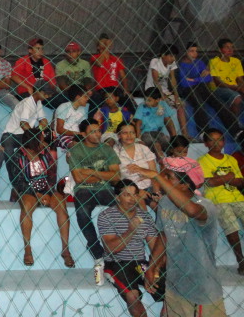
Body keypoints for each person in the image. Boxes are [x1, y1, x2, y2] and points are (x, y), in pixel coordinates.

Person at [128, 158, 227, 316]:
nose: (164, 180)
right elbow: (163, 235)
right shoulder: (166, 202)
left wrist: (156, 176)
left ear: (185, 184)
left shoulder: (204, 204)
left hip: (200, 287)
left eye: (169, 177)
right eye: (164, 176)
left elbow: (192, 211)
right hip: (175, 282)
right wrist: (153, 267)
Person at [97, 179, 165, 317]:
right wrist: (130, 231)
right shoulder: (106, 216)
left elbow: (156, 248)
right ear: (117, 197)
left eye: (135, 194)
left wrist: (153, 269)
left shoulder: (145, 216)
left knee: (170, 290)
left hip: (140, 263)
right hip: (117, 263)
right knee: (132, 296)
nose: (132, 199)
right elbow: (111, 248)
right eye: (127, 195)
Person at [10, 128, 74, 268]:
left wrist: (47, 192)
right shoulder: (18, 156)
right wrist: (36, 194)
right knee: (26, 208)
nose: (44, 141)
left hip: (47, 190)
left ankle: (65, 249)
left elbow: (52, 175)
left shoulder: (46, 154)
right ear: (34, 141)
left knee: (62, 207)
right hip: (28, 191)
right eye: (41, 139)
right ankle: (27, 249)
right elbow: (17, 181)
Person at [67, 119, 120, 280]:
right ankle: (97, 252)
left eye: (98, 131)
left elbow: (117, 178)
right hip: (84, 190)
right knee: (82, 213)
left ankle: (118, 251)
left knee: (121, 209)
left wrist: (91, 173)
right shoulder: (76, 150)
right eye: (92, 131)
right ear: (83, 134)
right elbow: (79, 178)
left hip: (106, 190)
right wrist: (104, 175)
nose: (97, 134)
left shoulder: (108, 150)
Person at [198, 128, 244, 275]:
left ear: (224, 141)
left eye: (220, 139)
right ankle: (241, 260)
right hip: (217, 200)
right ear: (205, 143)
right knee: (231, 226)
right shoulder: (202, 161)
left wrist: (222, 179)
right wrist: (229, 177)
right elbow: (209, 183)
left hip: (238, 198)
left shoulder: (231, 159)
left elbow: (240, 182)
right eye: (212, 139)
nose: (217, 143)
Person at [0, 81, 51, 202]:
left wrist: (41, 130)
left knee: (38, 151)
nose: (48, 97)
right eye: (46, 94)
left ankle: (37, 185)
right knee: (10, 157)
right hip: (11, 135)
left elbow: (43, 121)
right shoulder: (28, 103)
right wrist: (36, 134)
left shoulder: (38, 103)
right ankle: (16, 187)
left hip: (25, 136)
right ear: (39, 92)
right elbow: (23, 124)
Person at [179, 42, 240, 137]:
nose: (195, 53)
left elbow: (208, 78)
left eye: (196, 51)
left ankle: (236, 131)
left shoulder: (199, 62)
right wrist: (200, 78)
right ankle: (203, 132)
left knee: (218, 102)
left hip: (201, 86)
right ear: (185, 52)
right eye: (191, 51)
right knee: (199, 103)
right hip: (187, 89)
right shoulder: (180, 65)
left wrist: (194, 79)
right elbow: (184, 83)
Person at [145, 45, 190, 139]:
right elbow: (155, 81)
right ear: (163, 55)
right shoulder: (155, 61)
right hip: (153, 90)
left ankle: (185, 134)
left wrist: (176, 96)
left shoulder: (171, 63)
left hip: (165, 91)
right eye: (171, 56)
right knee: (164, 107)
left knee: (180, 105)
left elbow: (172, 79)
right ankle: (172, 136)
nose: (173, 59)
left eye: (174, 56)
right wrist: (163, 96)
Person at [113, 122, 157, 209]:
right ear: (118, 135)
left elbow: (155, 174)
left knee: (159, 206)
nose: (129, 135)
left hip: (149, 187)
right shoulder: (114, 152)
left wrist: (156, 193)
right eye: (125, 133)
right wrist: (138, 191)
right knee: (140, 204)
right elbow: (115, 179)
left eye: (132, 132)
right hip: (129, 190)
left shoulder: (143, 148)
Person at [90, 34, 134, 114]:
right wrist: (105, 48)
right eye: (102, 43)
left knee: (129, 103)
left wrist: (126, 89)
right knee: (94, 105)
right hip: (101, 89)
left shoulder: (116, 59)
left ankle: (133, 121)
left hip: (114, 88)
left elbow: (122, 75)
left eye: (106, 43)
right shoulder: (94, 57)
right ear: (98, 47)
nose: (105, 44)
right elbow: (99, 63)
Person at [133, 88, 177, 158]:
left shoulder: (163, 105)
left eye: (149, 100)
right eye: (145, 99)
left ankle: (173, 162)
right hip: (145, 133)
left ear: (158, 100)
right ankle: (161, 161)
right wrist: (138, 138)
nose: (146, 102)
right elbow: (138, 123)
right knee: (156, 144)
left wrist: (174, 137)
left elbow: (168, 122)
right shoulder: (142, 106)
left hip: (159, 133)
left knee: (169, 146)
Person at [209, 37, 244, 118]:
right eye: (227, 47)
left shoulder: (236, 61)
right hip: (219, 89)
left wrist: (242, 87)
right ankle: (234, 122)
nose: (230, 50)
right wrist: (236, 88)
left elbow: (240, 79)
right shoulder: (214, 62)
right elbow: (218, 83)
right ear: (220, 49)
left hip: (235, 87)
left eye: (232, 47)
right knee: (237, 98)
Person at [54, 85, 91, 149]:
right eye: (85, 96)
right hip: (63, 136)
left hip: (78, 137)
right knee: (76, 145)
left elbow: (83, 127)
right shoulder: (64, 107)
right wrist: (77, 133)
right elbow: (59, 130)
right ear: (77, 97)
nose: (87, 99)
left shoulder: (82, 109)